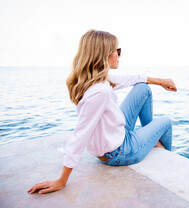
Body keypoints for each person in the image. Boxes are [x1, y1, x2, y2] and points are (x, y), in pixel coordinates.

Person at [28, 29, 177, 194]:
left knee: (142, 88)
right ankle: (158, 148)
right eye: (117, 51)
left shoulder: (97, 80)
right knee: (166, 122)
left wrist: (160, 81)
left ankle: (150, 139)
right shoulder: (99, 92)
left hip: (117, 136)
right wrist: (61, 180)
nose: (119, 55)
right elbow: (80, 135)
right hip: (119, 152)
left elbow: (129, 79)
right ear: (104, 55)